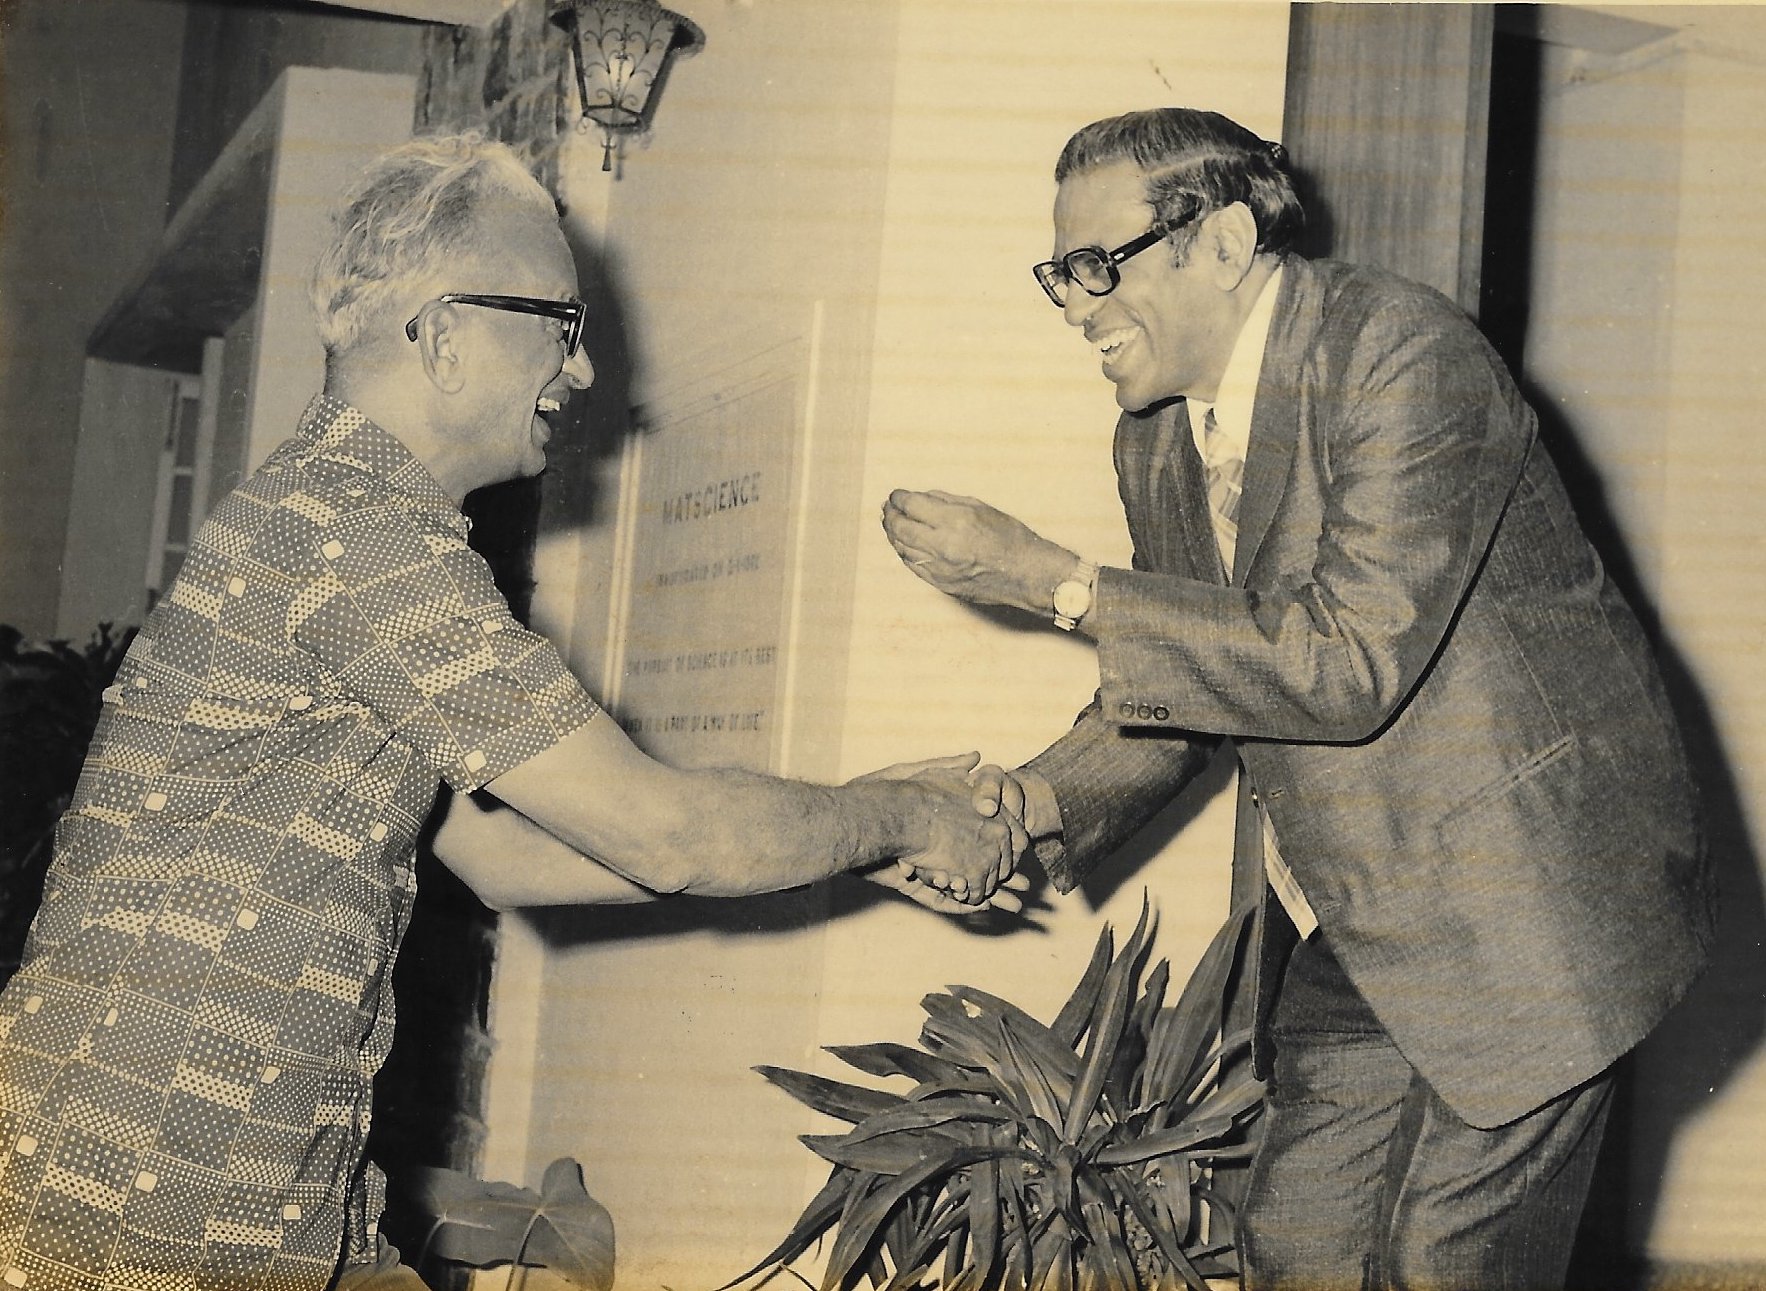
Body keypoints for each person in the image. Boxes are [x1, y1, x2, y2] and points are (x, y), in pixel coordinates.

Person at [0, 133, 1024, 1291]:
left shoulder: (330, 511)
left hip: (259, 1201)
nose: (580, 372)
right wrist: (903, 818)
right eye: (560, 325)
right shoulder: (364, 539)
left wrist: (855, 831)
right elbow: (663, 832)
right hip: (147, 1213)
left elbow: (503, 854)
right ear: (444, 337)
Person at [881, 107, 1716, 1291]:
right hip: (1367, 912)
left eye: (1096, 265)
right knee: (1296, 1246)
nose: (1073, 306)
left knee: (1444, 1260)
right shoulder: (1154, 442)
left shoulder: (1396, 352)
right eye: (1057, 274)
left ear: (1222, 242)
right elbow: (1198, 680)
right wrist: (1028, 802)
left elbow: (1345, 659)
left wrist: (1055, 583)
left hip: (1529, 898)